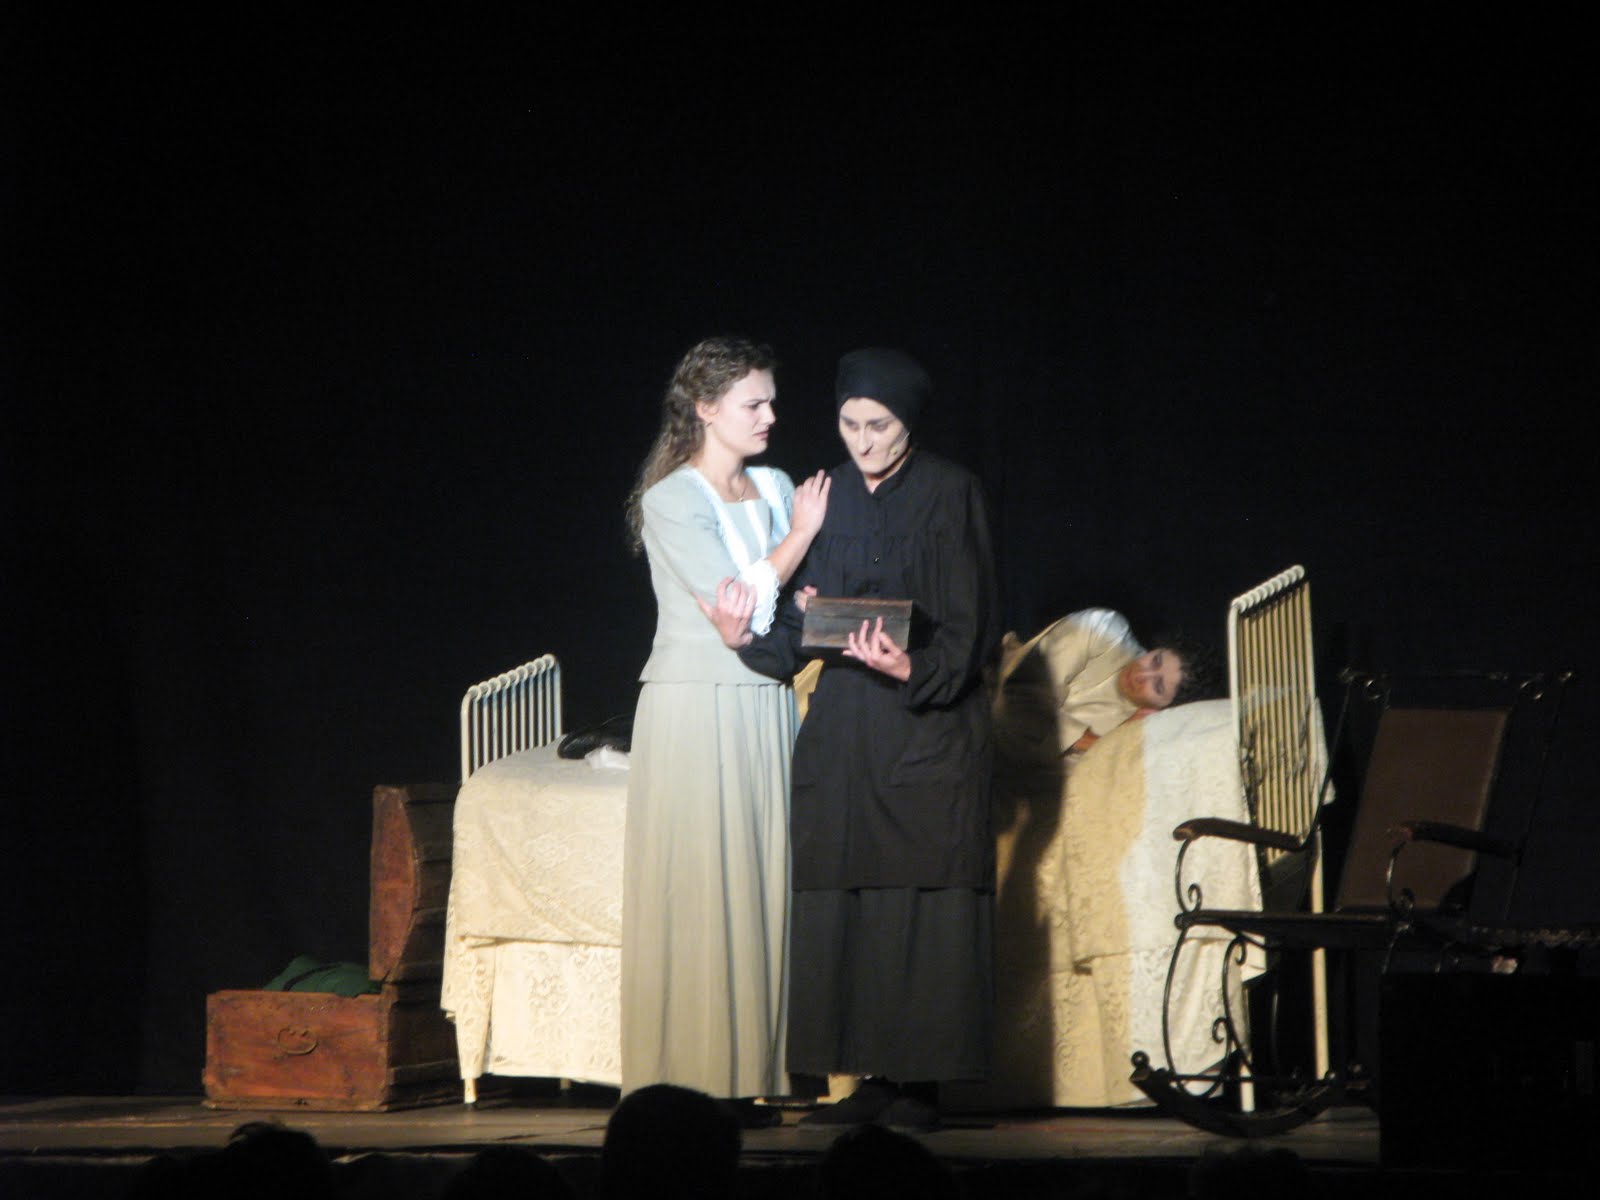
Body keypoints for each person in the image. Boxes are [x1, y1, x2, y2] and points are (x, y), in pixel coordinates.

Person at [716, 346, 999, 1132]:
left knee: (920, 902)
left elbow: (973, 622)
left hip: (925, 724)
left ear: (909, 422)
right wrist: (747, 637)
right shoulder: (825, 495)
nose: (864, 441)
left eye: (880, 425)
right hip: (845, 728)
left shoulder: (951, 491)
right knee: (853, 900)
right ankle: (869, 1078)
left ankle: (920, 1084)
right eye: (850, 424)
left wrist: (915, 666)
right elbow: (797, 629)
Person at [621, 336, 830, 1119]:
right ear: (706, 409)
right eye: (753, 403)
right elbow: (734, 606)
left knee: (764, 877)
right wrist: (800, 539)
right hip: (696, 702)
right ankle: (698, 1079)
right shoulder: (672, 500)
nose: (770, 416)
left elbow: (784, 604)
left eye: (771, 401)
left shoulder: (773, 485)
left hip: (766, 699)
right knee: (705, 883)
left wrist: (802, 590)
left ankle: (762, 1069)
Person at [991, 607, 1219, 772]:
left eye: (1157, 686)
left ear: (1163, 709)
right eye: (1155, 660)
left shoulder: (1142, 736)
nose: (1142, 675)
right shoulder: (1105, 630)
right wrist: (1093, 742)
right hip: (986, 697)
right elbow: (1019, 699)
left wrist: (1122, 739)